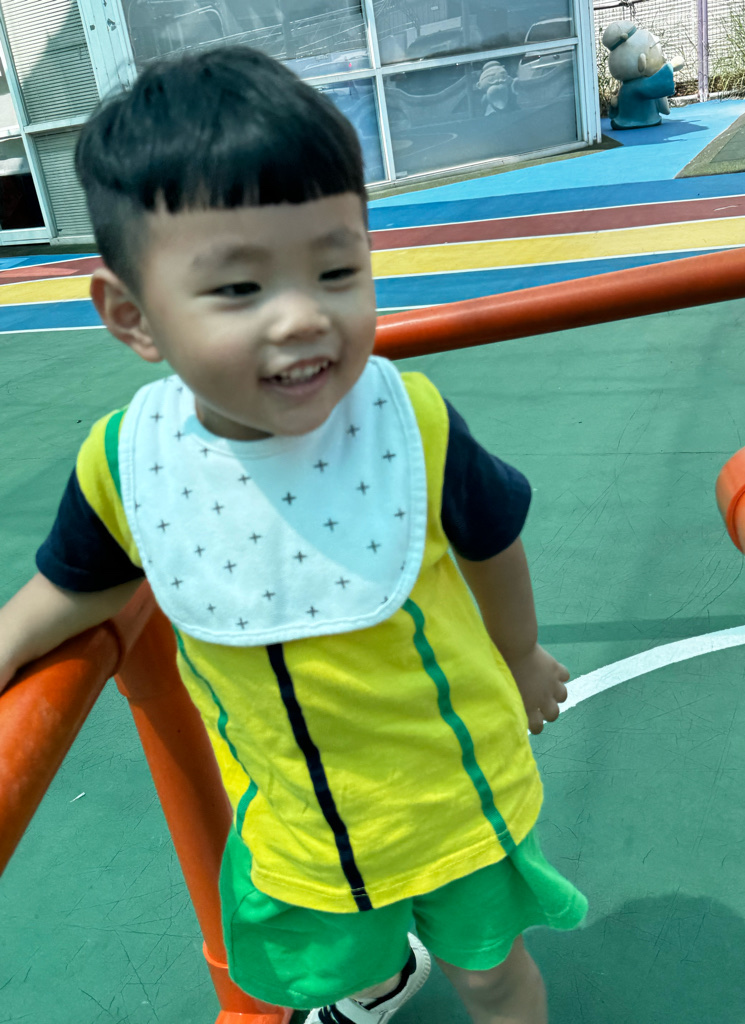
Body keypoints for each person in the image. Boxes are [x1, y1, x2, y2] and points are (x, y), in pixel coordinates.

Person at [0, 46, 587, 1024]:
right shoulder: (129, 462)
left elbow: (493, 538)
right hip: (296, 821)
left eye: (337, 269)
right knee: (330, 966)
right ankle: (379, 977)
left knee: (490, 971)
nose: (304, 316)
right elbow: (78, 582)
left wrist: (519, 653)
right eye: (240, 288)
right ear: (132, 316)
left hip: (448, 795)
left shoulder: (408, 423)